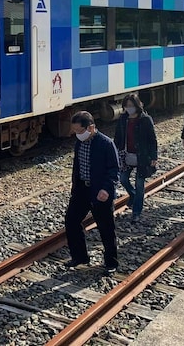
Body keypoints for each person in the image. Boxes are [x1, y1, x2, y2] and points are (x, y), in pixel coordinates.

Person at [64, 111, 119, 274]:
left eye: (80, 131)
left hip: (100, 192)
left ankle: (111, 263)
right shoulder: (79, 143)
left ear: (91, 128)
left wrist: (106, 188)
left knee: (106, 228)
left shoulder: (106, 144)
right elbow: (78, 166)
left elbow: (114, 170)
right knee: (71, 221)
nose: (78, 135)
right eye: (75, 132)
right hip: (82, 190)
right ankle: (80, 256)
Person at [113, 94, 158, 223]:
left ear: (137, 106)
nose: (129, 109)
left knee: (140, 184)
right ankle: (132, 195)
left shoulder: (145, 119)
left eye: (131, 106)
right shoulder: (123, 119)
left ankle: (136, 212)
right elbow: (117, 137)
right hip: (126, 155)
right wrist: (114, 152)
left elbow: (152, 140)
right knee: (123, 179)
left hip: (142, 157)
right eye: (127, 106)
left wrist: (153, 156)